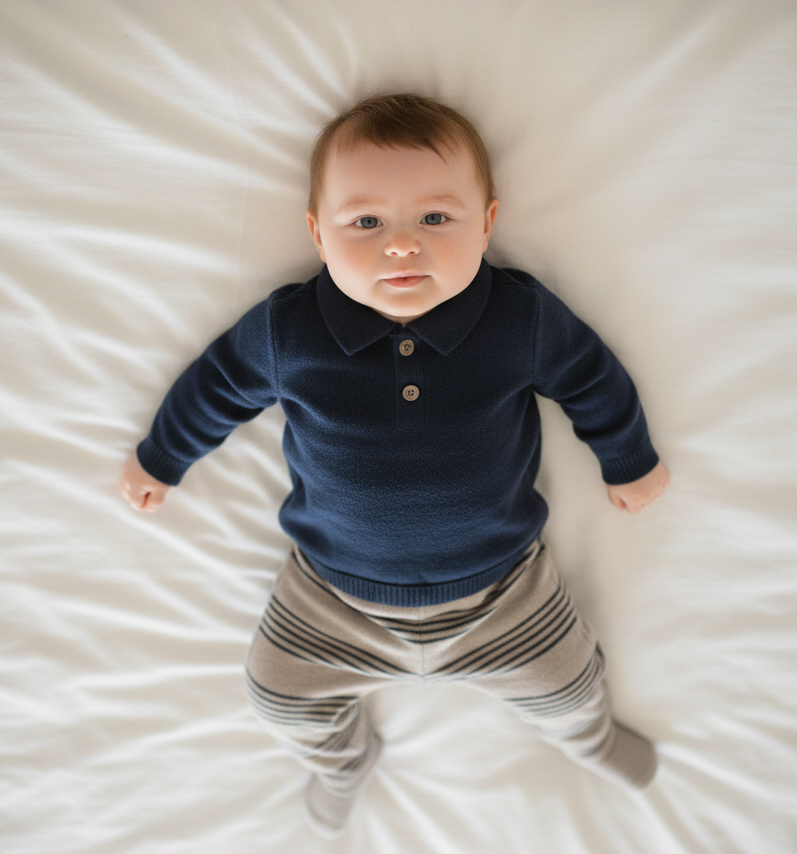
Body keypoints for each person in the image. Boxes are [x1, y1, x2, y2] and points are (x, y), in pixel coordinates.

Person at [120, 93, 670, 838]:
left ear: (487, 224)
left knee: (568, 685)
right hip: (330, 597)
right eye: (366, 223)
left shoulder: (518, 319)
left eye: (435, 218)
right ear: (318, 234)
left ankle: (587, 739)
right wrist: (163, 456)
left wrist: (627, 457)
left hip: (502, 593)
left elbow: (589, 376)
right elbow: (216, 386)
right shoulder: (290, 332)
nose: (402, 246)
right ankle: (341, 762)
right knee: (276, 694)